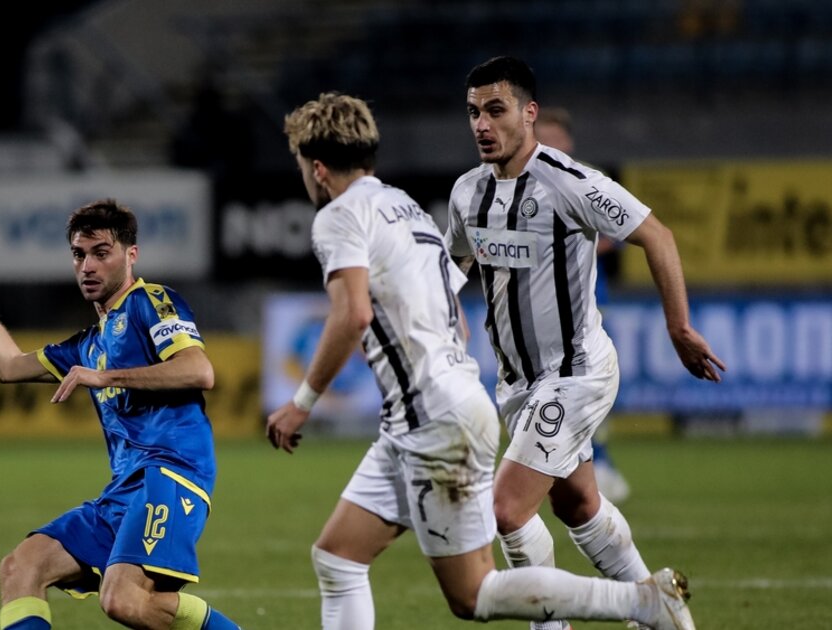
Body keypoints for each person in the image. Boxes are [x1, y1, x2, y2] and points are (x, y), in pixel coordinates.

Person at [266, 92, 697, 630]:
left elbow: (351, 314)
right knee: (338, 557)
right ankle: (625, 604)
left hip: (434, 418)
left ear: (317, 168)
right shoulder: (403, 207)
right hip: (428, 412)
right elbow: (454, 311)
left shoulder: (338, 216)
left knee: (473, 593)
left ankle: (641, 603)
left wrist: (302, 402)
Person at [446, 57, 725, 630]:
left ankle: (553, 625)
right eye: (474, 112)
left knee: (506, 509)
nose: (482, 124)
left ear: (529, 113)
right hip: (517, 385)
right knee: (577, 505)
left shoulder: (569, 181)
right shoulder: (467, 193)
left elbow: (657, 236)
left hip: (575, 374)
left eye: (496, 110)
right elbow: (451, 269)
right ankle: (661, 613)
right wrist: (442, 321)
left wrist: (678, 327)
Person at [0, 200, 239, 630]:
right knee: (21, 567)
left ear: (131, 255)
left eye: (101, 253)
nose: (88, 266)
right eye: (79, 255)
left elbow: (198, 370)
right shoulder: (89, 344)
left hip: (172, 472)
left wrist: (104, 377)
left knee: (120, 599)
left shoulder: (151, 302)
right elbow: (8, 366)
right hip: (124, 489)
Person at [534, 106, 631, 505]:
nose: (552, 145)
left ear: (568, 141)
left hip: (589, 303)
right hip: (540, 308)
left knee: (589, 385)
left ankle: (599, 463)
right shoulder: (523, 181)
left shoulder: (588, 178)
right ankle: (561, 465)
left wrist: (575, 242)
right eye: (545, 138)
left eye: (557, 138)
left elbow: (621, 232)